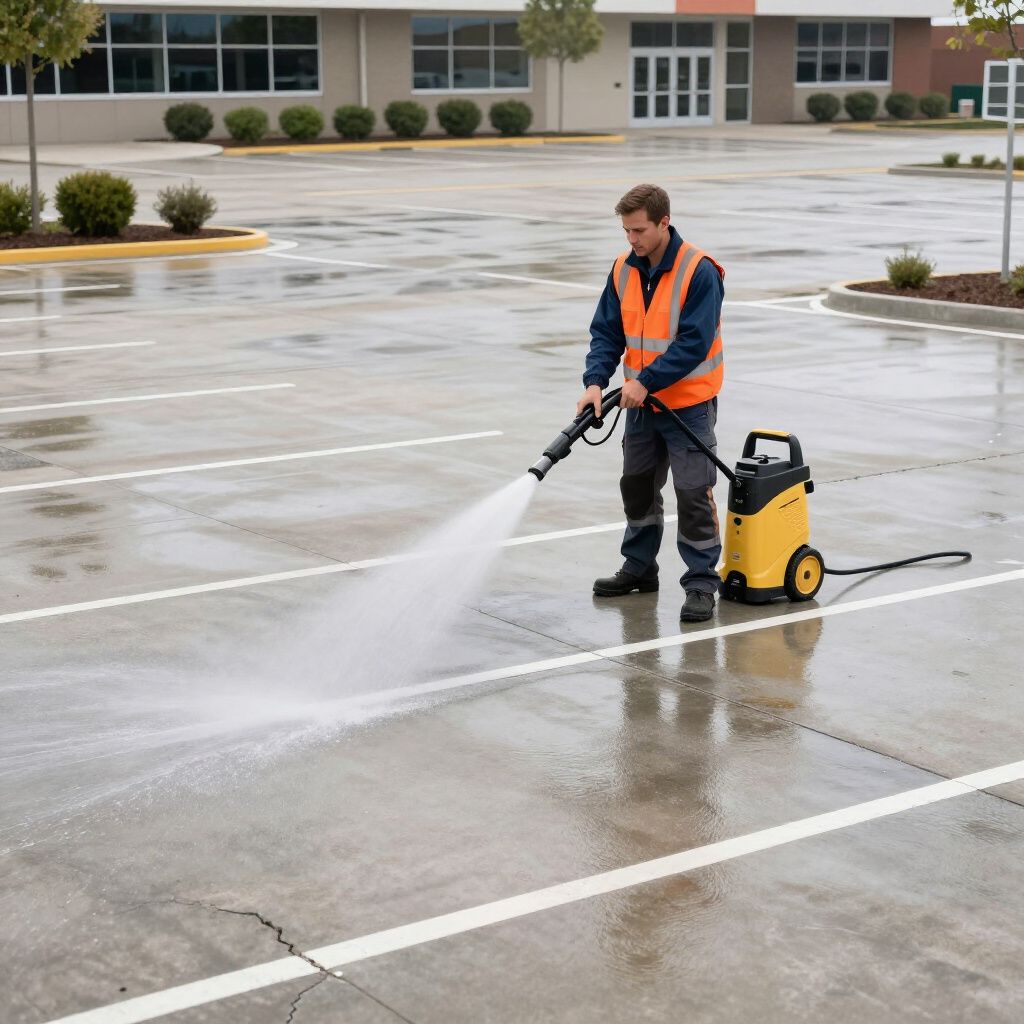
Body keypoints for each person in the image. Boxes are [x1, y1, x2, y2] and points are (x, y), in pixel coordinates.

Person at [578, 183, 725, 624]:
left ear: (664, 222)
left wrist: (646, 380)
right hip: (640, 405)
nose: (632, 240)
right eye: (626, 231)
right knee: (637, 486)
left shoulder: (699, 270)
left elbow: (694, 342)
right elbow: (606, 332)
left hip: (688, 405)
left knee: (693, 492)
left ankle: (700, 581)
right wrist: (593, 382)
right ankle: (640, 568)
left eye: (639, 230)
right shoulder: (624, 268)